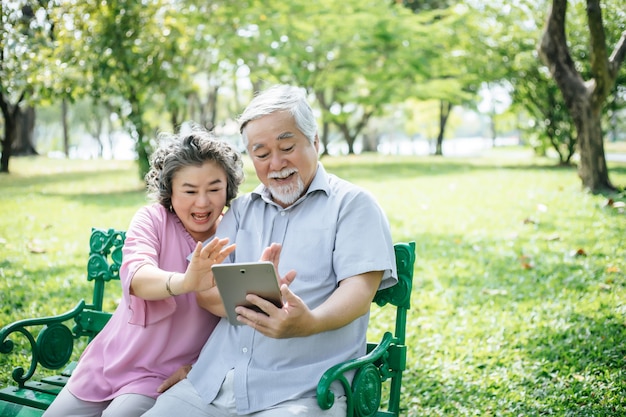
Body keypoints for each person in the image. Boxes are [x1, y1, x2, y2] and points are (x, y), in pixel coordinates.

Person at [143, 85, 397, 417]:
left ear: (315, 142)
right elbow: (204, 288)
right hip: (213, 384)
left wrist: (307, 322)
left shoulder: (352, 206)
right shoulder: (240, 210)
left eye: (287, 146)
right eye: (261, 154)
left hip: (301, 393)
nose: (276, 163)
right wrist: (260, 300)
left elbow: (359, 291)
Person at [43, 126, 245, 417]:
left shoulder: (235, 232)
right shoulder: (153, 219)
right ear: (170, 191)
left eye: (214, 189)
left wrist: (201, 368)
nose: (202, 203)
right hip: (109, 362)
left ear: (228, 188)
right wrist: (187, 281)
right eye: (189, 191)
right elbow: (137, 277)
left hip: (159, 377)